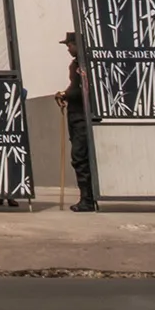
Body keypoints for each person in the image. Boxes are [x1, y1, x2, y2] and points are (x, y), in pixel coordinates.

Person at [56, 31, 97, 212]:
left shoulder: (85, 65)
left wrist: (65, 94)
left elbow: (83, 90)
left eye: (70, 45)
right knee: (80, 158)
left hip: (81, 117)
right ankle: (87, 198)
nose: (68, 49)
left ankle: (87, 200)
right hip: (75, 115)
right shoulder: (76, 64)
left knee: (80, 158)